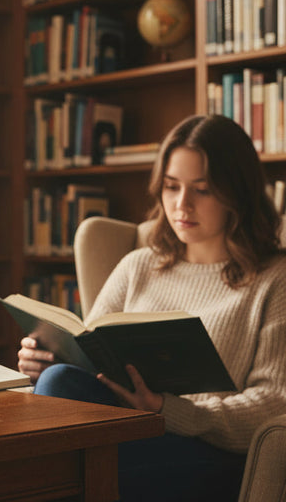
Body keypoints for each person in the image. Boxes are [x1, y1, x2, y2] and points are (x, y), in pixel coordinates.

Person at [17, 114, 286, 502]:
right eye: (171, 187)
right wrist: (42, 358)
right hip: (125, 432)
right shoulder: (139, 264)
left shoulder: (275, 279)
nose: (182, 205)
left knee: (58, 467)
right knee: (59, 379)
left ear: (237, 193)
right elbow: (88, 355)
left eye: (203, 190)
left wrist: (167, 409)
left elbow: (274, 403)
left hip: (208, 452)